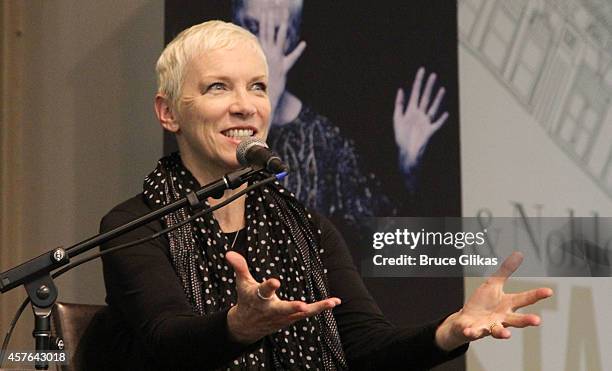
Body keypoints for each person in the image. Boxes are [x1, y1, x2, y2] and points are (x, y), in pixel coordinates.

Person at [98, 20, 552, 370]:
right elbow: (163, 343)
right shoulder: (133, 227)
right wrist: (237, 327)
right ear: (168, 112)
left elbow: (366, 347)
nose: (246, 105)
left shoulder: (307, 229)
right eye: (218, 87)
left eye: (257, 86)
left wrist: (447, 333)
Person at [232, 0, 449, 223]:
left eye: (277, 32)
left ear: (293, 38)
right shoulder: (211, 116)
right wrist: (268, 101)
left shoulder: (324, 140)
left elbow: (382, 233)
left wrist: (408, 168)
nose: (263, 46)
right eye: (254, 27)